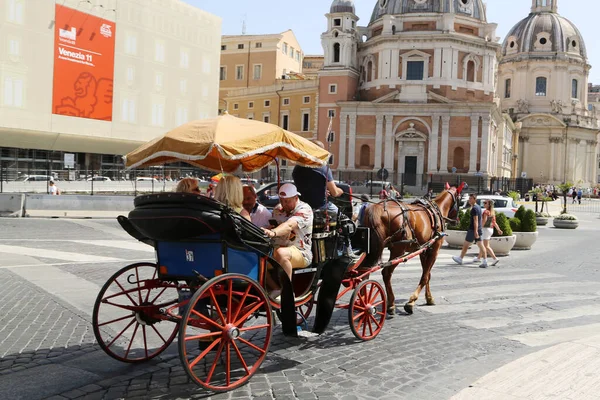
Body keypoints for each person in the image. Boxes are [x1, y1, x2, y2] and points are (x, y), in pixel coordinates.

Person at [262, 183, 313, 285]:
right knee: (256, 256)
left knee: (282, 253)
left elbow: (289, 225)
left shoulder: (305, 210)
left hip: (301, 251)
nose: (284, 204)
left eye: (287, 201)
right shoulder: (277, 209)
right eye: (281, 201)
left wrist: (273, 232)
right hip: (276, 248)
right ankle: (274, 289)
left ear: (296, 198)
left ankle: (287, 292)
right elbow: (273, 225)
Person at [292, 140, 344, 214]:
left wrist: (321, 191)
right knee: (339, 214)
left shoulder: (297, 168)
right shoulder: (322, 168)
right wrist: (341, 191)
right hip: (320, 207)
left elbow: (308, 186)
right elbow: (335, 192)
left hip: (301, 206)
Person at [452, 193, 488, 268]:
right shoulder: (478, 207)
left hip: (473, 230)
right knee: (481, 245)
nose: (469, 200)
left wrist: (475, 231)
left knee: (466, 245)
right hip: (478, 229)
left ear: (475, 199)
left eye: (471, 198)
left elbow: (476, 220)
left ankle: (460, 258)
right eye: (469, 198)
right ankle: (485, 261)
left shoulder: (474, 209)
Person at [477, 200, 502, 266]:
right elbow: (494, 223)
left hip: (485, 229)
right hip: (490, 229)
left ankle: (494, 258)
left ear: (489, 205)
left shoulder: (486, 212)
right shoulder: (492, 212)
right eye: (484, 203)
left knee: (486, 246)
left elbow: (484, 221)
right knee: (482, 244)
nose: (484, 204)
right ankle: (478, 258)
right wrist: (498, 229)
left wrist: (480, 228)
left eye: (485, 203)